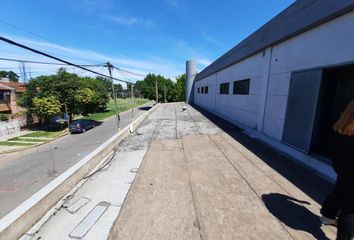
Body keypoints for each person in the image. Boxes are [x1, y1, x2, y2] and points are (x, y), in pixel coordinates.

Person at [320, 99, 354, 240]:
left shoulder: (344, 124)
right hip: (350, 167)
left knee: (340, 189)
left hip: (342, 165)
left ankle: (328, 215)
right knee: (351, 210)